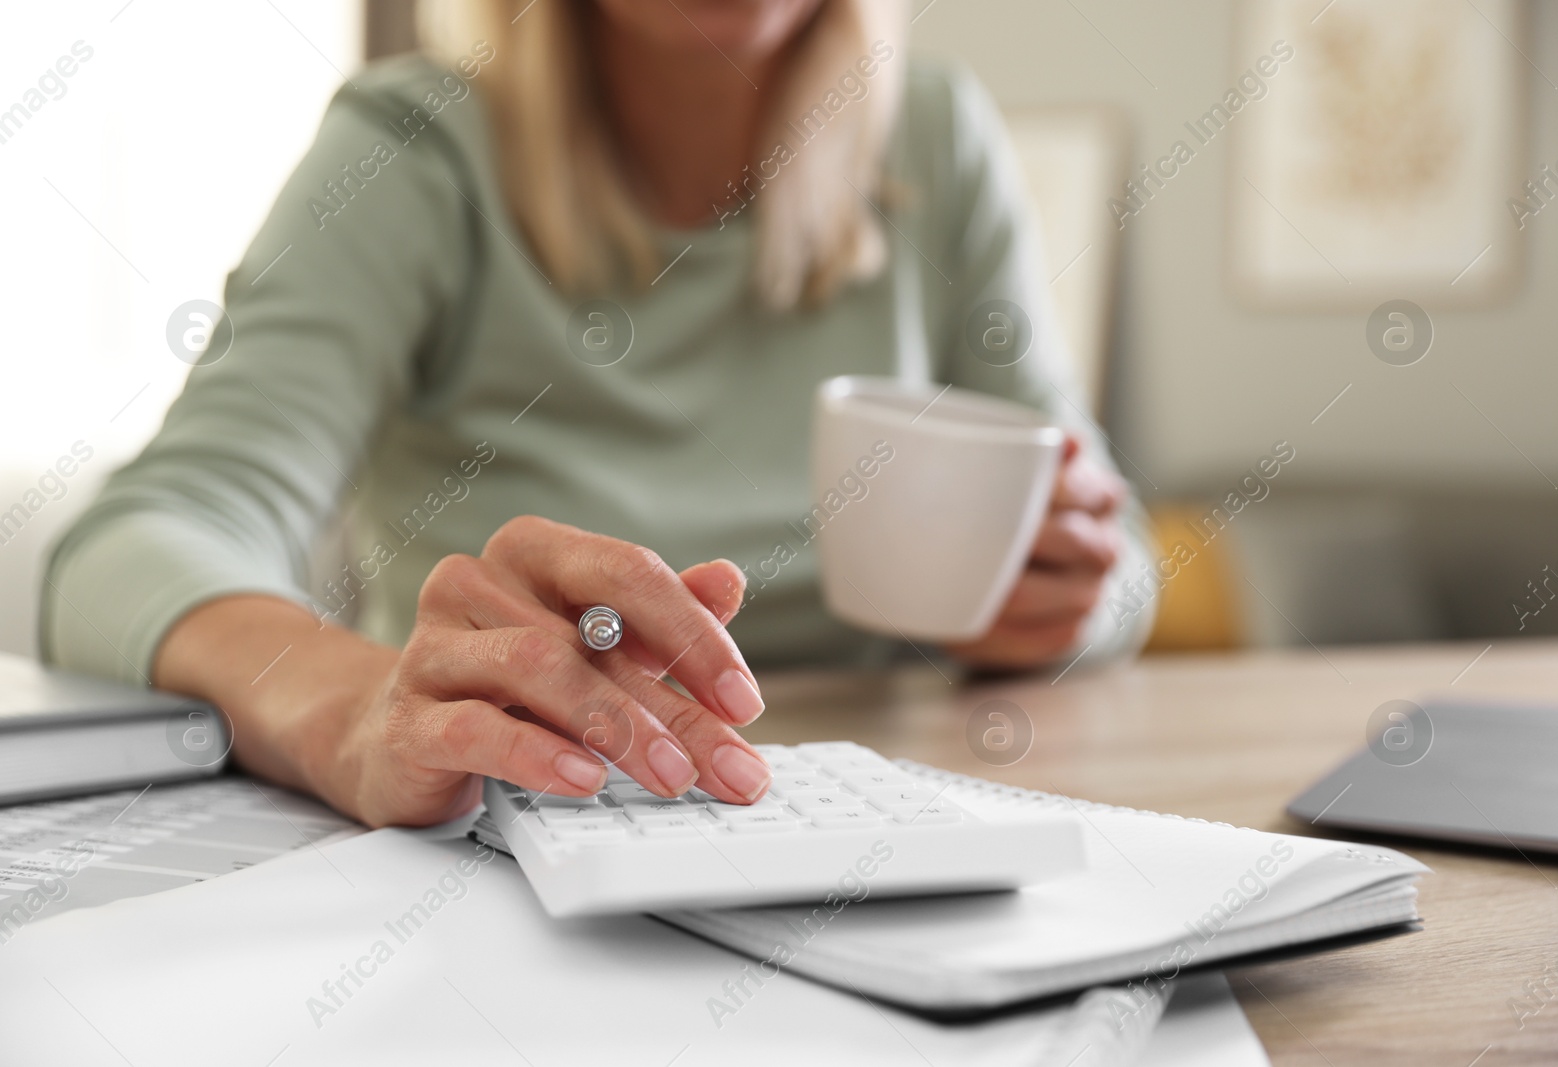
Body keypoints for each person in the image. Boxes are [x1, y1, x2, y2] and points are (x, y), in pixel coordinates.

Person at [41, 0, 1153, 828]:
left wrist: (1069, 599)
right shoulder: (415, 152)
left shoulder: (936, 137)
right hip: (526, 823)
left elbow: (1115, 546)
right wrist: (356, 703)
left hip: (899, 816)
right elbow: (131, 544)